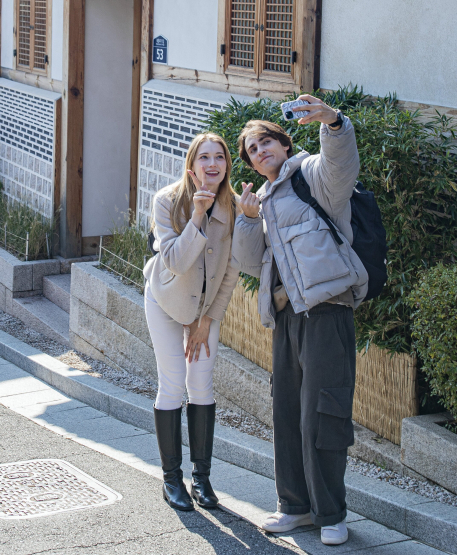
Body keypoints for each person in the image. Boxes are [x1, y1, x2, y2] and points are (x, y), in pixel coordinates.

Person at [234, 94, 368, 546]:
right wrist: (250, 221)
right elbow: (253, 265)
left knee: (323, 413)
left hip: (328, 311)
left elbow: (341, 163)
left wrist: (333, 122)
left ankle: (331, 513)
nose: (260, 151)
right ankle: (295, 506)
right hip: (287, 316)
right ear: (252, 165)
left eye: (266, 141)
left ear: (285, 144)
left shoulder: (311, 175)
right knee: (288, 413)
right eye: (252, 150)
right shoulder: (265, 198)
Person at [144, 132, 242, 512]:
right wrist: (198, 214)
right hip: (165, 299)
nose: (213, 164)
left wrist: (207, 319)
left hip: (205, 309)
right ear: (192, 164)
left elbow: (231, 270)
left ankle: (202, 479)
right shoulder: (167, 201)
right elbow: (176, 262)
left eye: (220, 157)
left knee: (201, 384)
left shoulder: (233, 207)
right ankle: (172, 480)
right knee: (172, 385)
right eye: (205, 157)